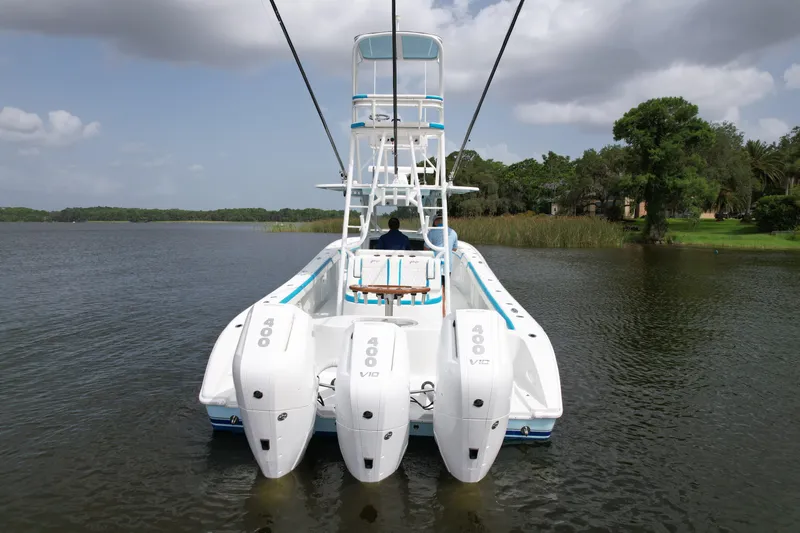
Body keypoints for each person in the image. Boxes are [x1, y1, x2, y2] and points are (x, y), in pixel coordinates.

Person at [425, 215, 458, 315]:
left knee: (435, 288)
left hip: (436, 265)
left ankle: (438, 310)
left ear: (435, 222)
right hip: (448, 265)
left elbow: (425, 249)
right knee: (444, 288)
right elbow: (455, 248)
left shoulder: (431, 232)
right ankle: (444, 311)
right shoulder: (453, 233)